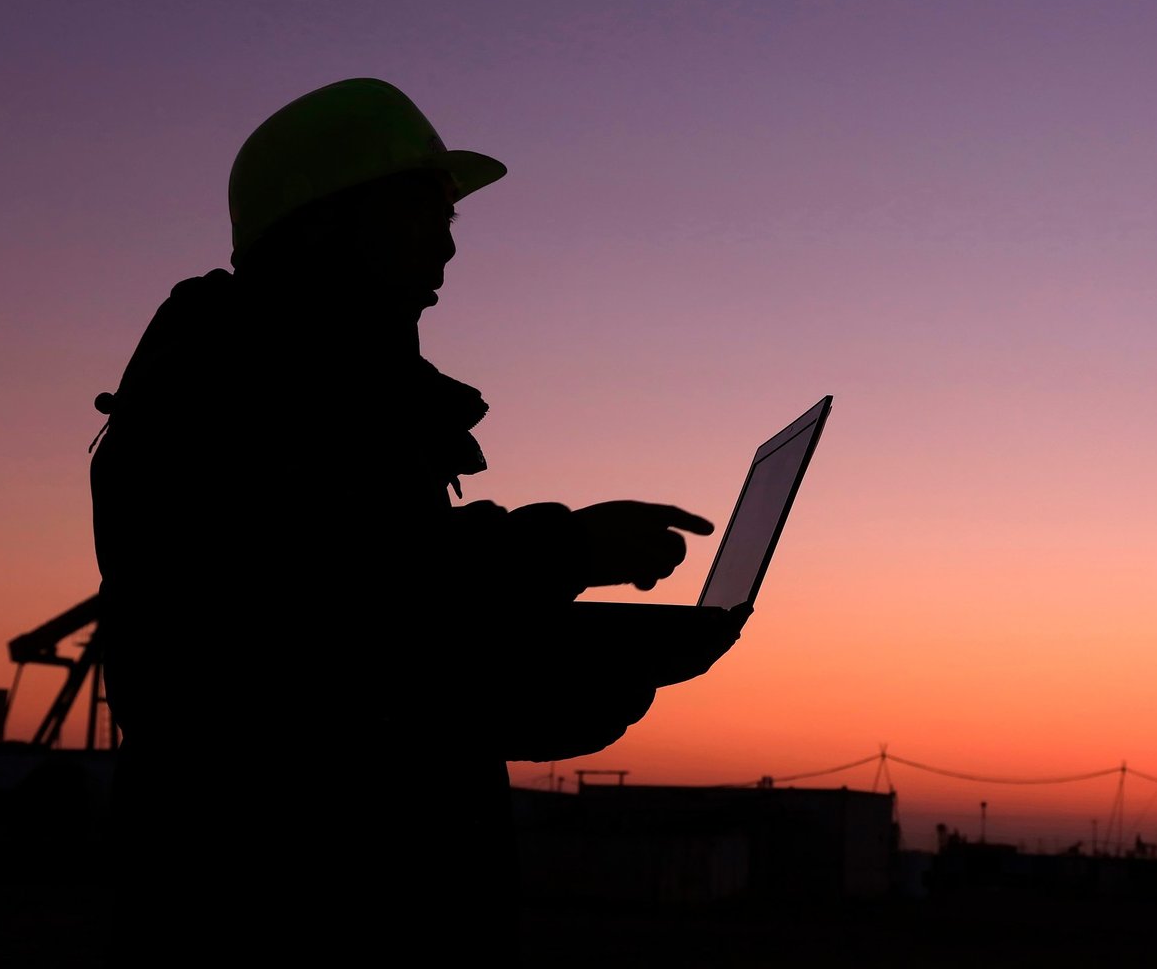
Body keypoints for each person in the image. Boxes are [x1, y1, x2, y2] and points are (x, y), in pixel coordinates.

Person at [93, 78, 736, 962]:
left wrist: (592, 662)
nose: (447, 244)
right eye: (421, 211)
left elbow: (390, 661)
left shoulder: (314, 385)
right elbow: (341, 626)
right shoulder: (232, 391)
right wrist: (573, 553)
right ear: (324, 221)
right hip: (280, 906)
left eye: (450, 217)